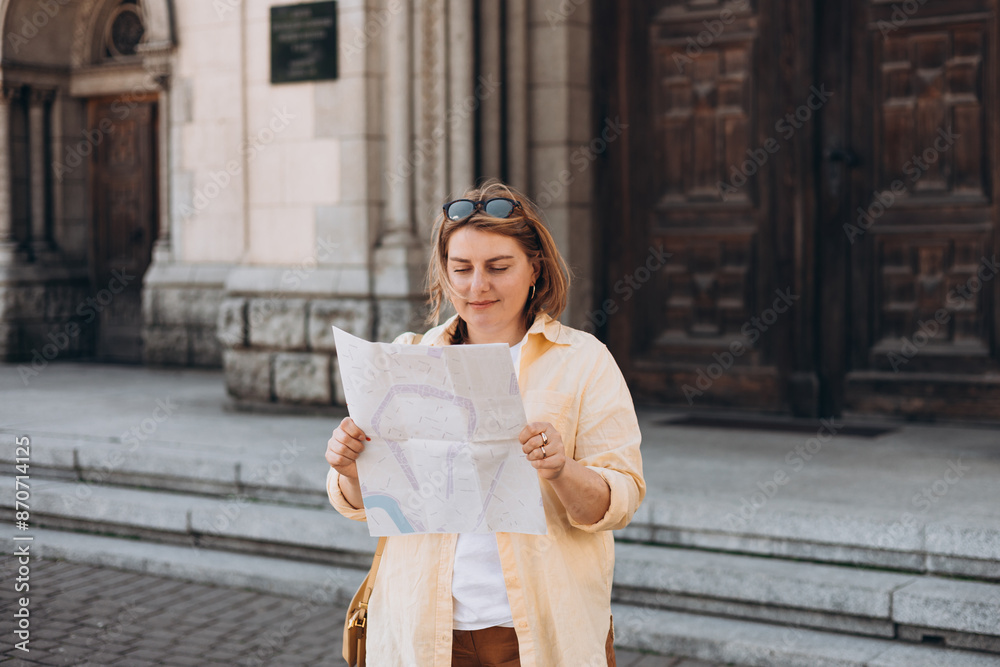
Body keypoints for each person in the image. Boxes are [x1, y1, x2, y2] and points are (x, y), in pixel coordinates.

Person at [325, 179, 645, 667]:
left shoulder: (583, 361)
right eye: (462, 269)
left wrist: (561, 470)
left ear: (535, 266)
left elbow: (620, 500)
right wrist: (348, 466)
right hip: (423, 632)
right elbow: (365, 503)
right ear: (445, 273)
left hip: (539, 633)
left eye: (498, 267)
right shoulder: (409, 358)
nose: (478, 286)